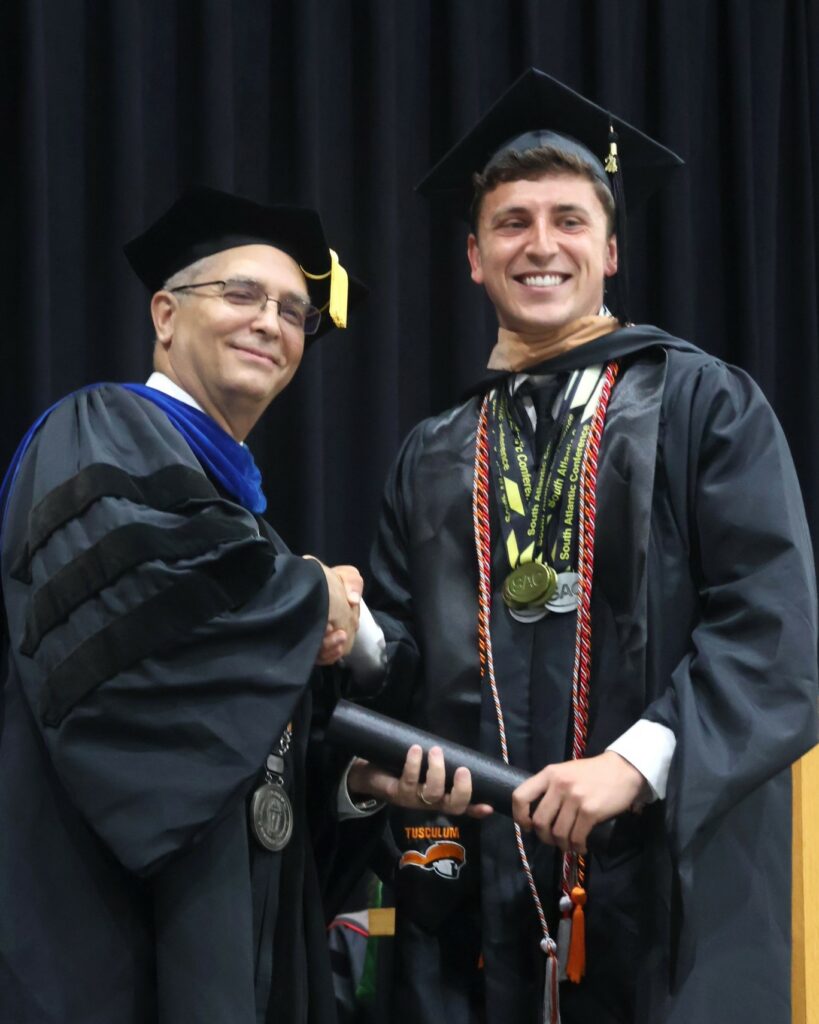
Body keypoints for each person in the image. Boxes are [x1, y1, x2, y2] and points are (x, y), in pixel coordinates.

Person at [353, 70, 819, 1024]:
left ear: (609, 251)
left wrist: (634, 764)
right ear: (474, 257)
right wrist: (347, 638)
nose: (540, 244)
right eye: (510, 222)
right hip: (481, 900)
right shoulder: (435, 452)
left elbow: (770, 628)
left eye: (568, 219)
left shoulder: (704, 405)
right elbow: (401, 654)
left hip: (665, 894)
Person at [0, 185, 383, 1024]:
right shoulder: (96, 431)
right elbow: (140, 650)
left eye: (292, 311)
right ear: (165, 315)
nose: (270, 323)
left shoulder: (248, 531)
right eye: (241, 294)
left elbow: (254, 747)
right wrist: (312, 598)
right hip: (98, 934)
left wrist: (356, 781)